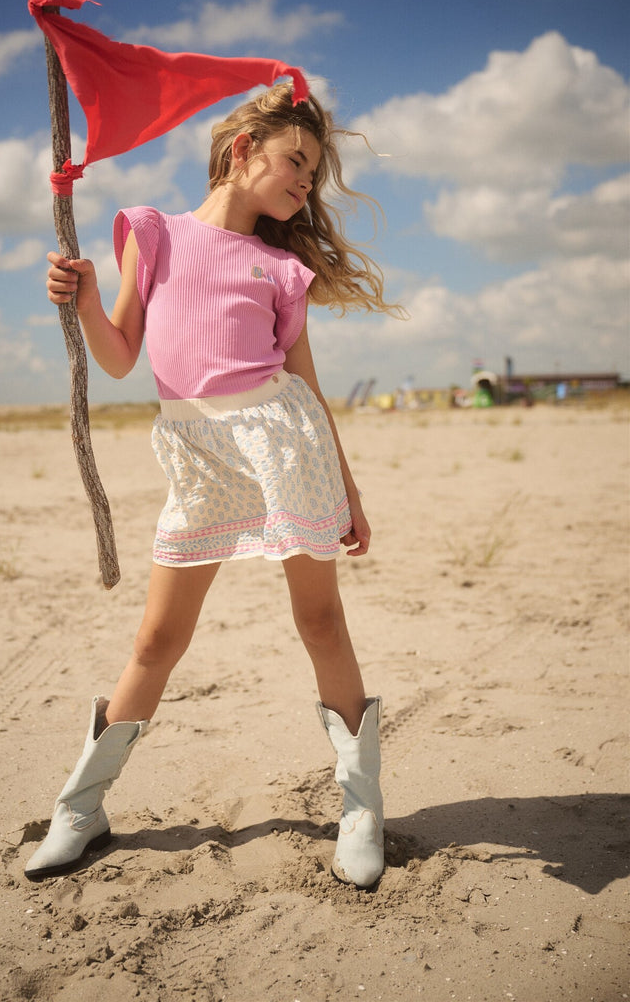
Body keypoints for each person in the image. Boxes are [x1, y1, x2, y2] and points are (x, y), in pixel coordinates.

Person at [25, 84, 402, 890]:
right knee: (158, 640)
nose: (306, 183)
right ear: (243, 150)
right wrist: (87, 298)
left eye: (314, 173)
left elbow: (307, 386)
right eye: (296, 162)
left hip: (282, 443)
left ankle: (361, 808)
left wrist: (351, 492)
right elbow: (122, 356)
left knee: (321, 619)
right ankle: (82, 809)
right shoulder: (153, 233)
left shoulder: (280, 265)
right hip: (196, 453)